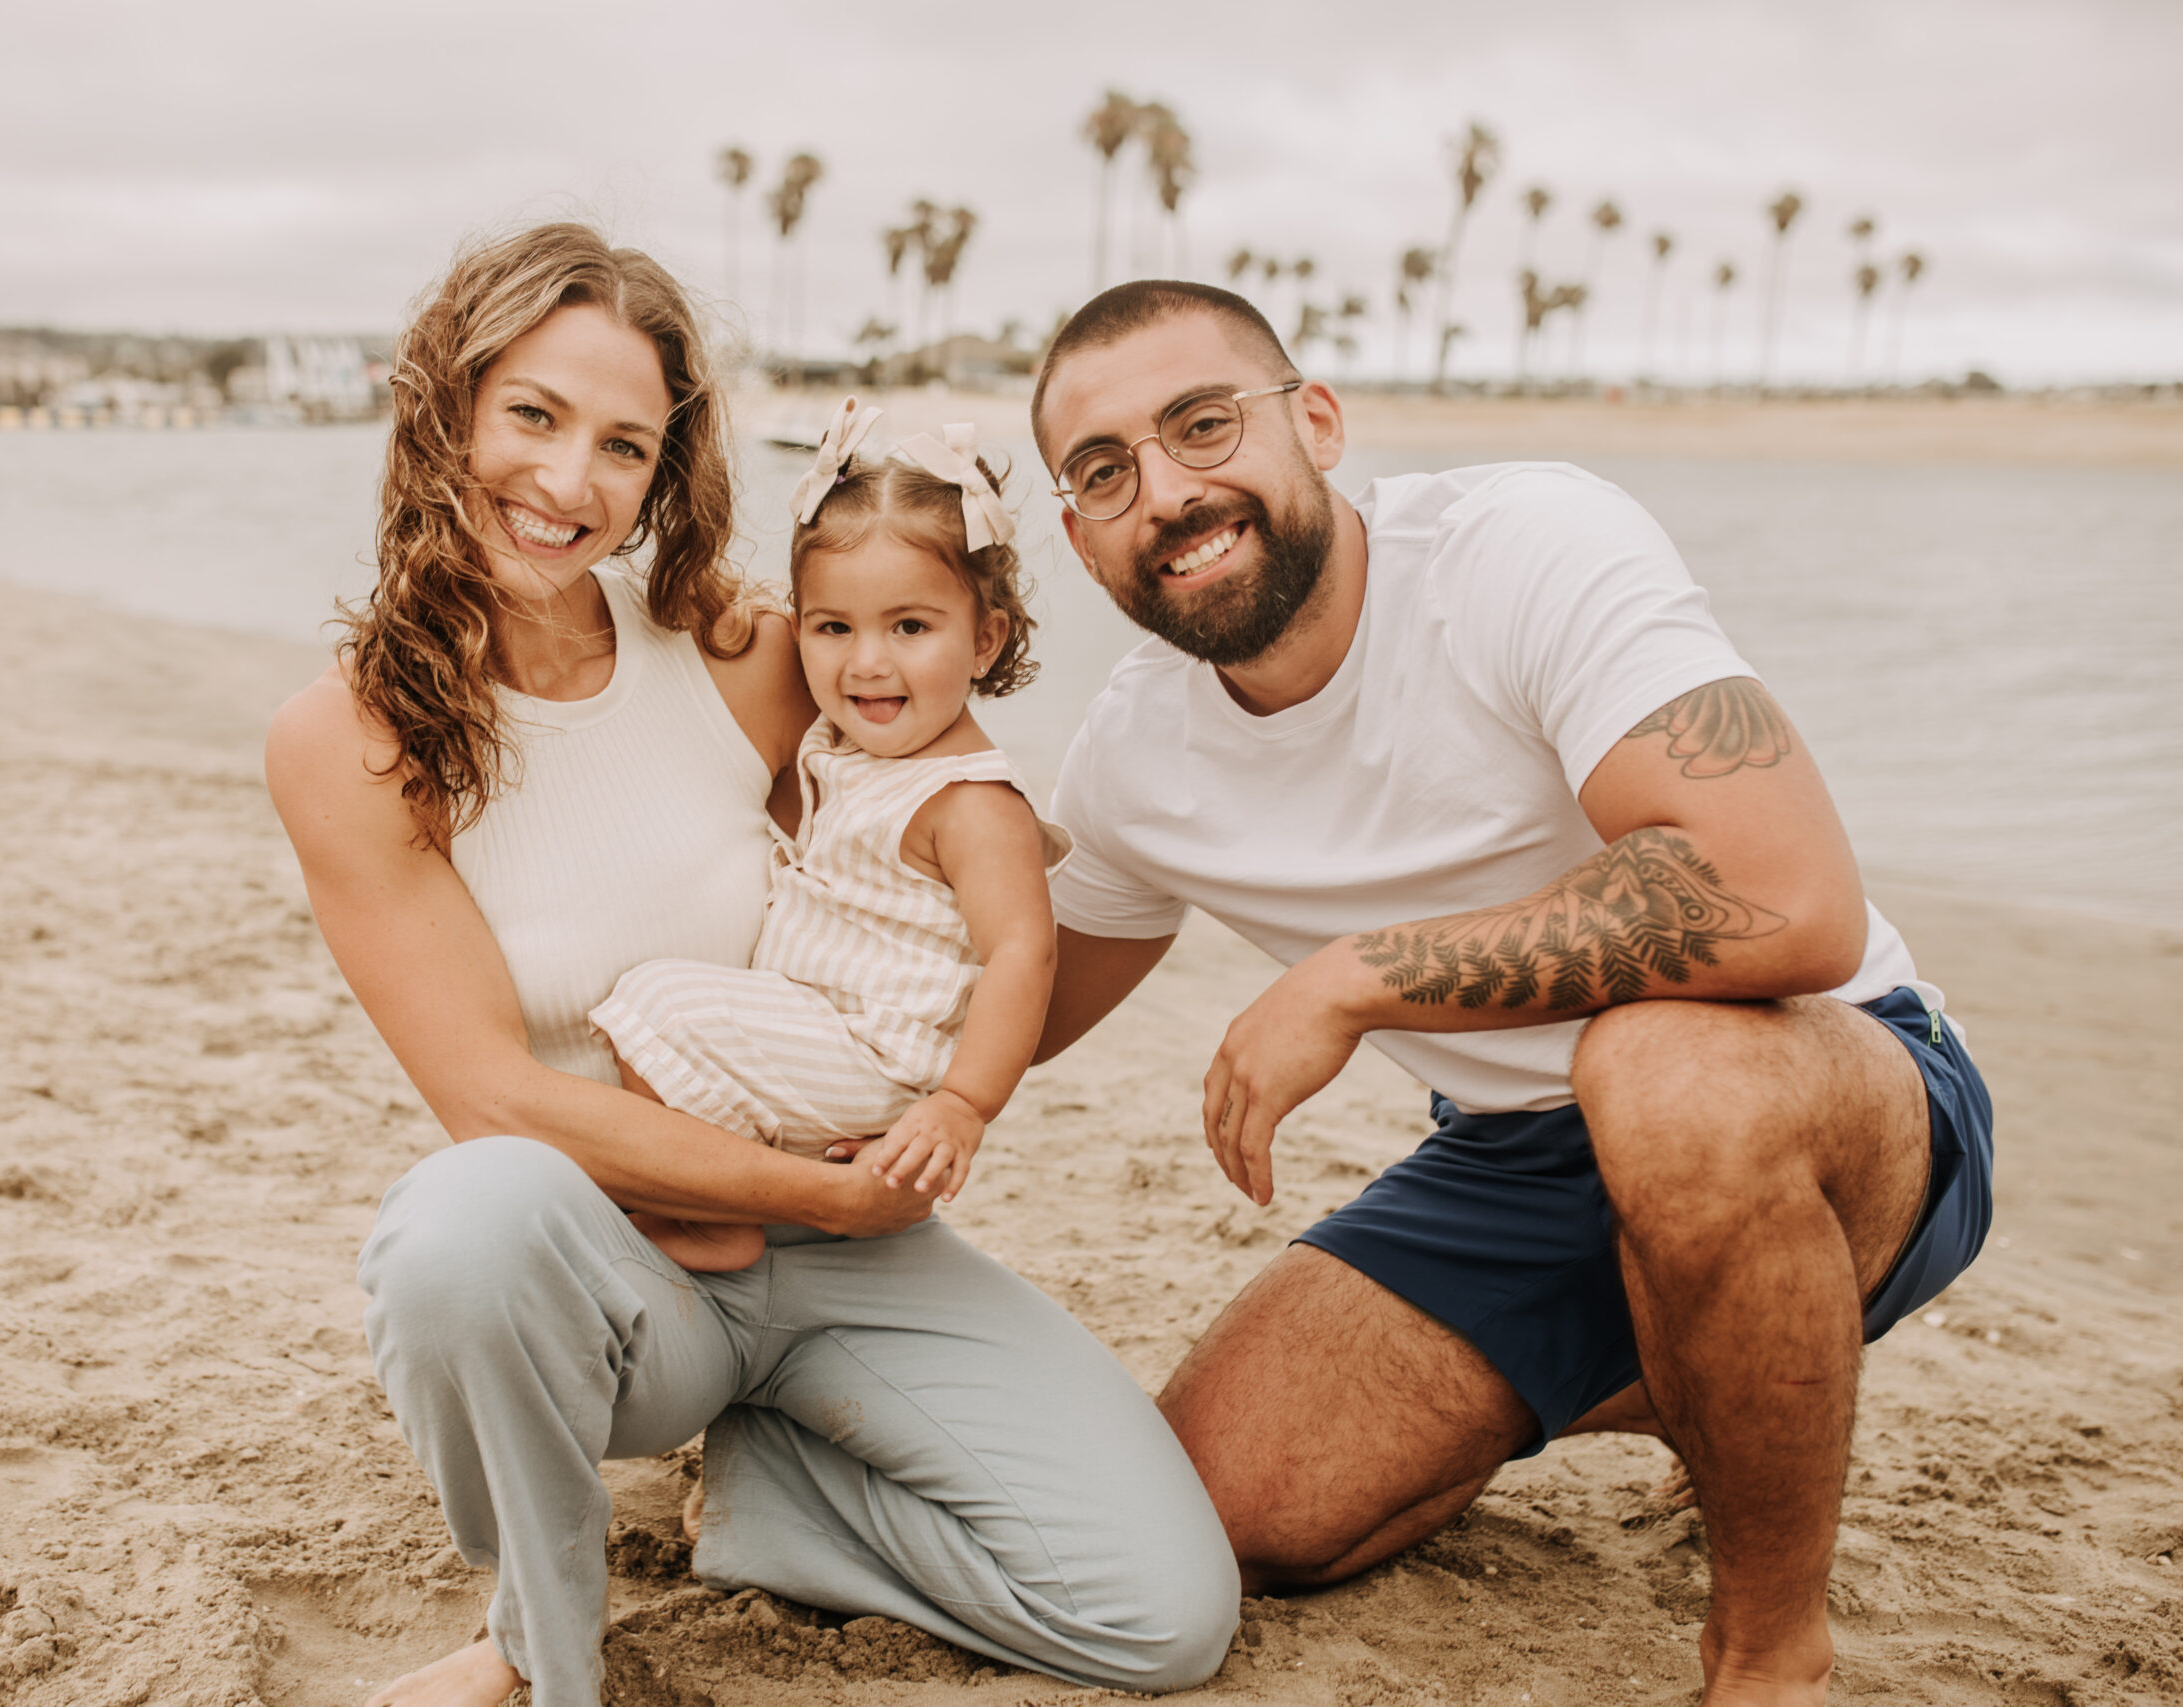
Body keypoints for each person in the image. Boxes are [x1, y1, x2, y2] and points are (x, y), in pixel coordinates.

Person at [264, 227, 1235, 1707]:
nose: (570, 481)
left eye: (624, 444)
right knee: (458, 1224)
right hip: (621, 1277)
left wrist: (950, 1092)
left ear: (667, 471)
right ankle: (539, 1632)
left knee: (1163, 1613)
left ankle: (778, 1498)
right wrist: (824, 1191)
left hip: (844, 1256)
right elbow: (489, 1089)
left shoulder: (744, 650)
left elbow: (930, 803)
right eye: (532, 415)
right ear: (444, 406)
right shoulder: (349, 741)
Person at [1024, 279, 1993, 1707]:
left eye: (1202, 423)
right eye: (1104, 470)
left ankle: (1770, 1655)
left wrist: (1355, 976)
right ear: (1076, 533)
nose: (1166, 490)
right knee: (1231, 1509)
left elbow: (1790, 895)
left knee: (1661, 1070)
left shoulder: (1523, 545)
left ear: (1319, 421)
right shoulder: (1131, 762)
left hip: (1821, 1082)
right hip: (1516, 1154)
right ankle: (1706, 1367)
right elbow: (1004, 1009)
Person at [593, 400, 1066, 1274]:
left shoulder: (969, 801)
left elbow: (1024, 955)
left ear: (985, 639)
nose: (868, 662)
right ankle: (732, 1180)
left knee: (655, 1003)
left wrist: (963, 1104)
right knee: (658, 1011)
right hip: (823, 1027)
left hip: (883, 1055)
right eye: (834, 627)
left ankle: (703, 1210)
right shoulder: (839, 741)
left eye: (911, 627)